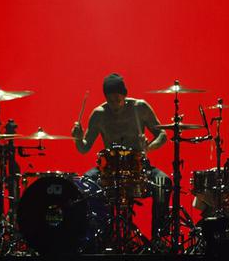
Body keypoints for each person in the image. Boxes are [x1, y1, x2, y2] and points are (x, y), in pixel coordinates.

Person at [72, 73, 170, 242]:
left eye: (118, 100)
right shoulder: (99, 114)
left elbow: (162, 133)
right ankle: (99, 237)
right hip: (109, 168)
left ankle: (158, 239)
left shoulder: (140, 107)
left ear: (124, 95)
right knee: (85, 183)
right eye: (110, 101)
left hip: (139, 166)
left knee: (164, 182)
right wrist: (78, 138)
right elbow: (84, 148)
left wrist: (149, 147)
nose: (115, 105)